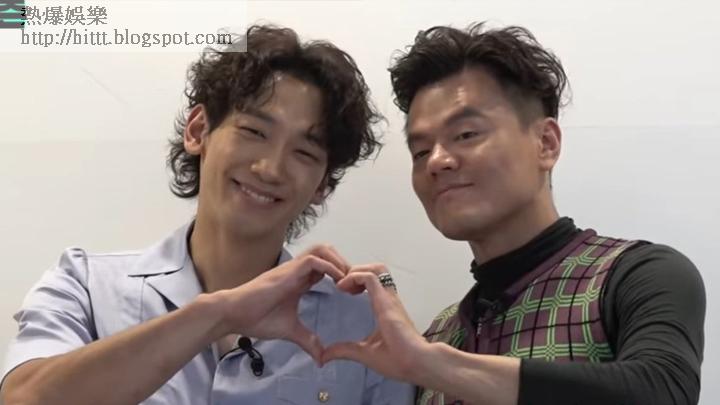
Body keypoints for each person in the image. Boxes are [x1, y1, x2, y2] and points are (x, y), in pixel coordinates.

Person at [0, 24, 413, 405]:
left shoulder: (363, 323)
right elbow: (22, 398)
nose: (270, 169)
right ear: (198, 130)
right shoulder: (86, 286)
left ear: (323, 184)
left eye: (304, 152)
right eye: (254, 132)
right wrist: (217, 314)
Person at [322, 23, 706, 405]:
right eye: (420, 151)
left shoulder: (635, 274)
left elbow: (663, 390)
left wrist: (435, 366)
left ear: (545, 143)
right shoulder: (439, 335)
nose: (437, 161)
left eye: (466, 134)